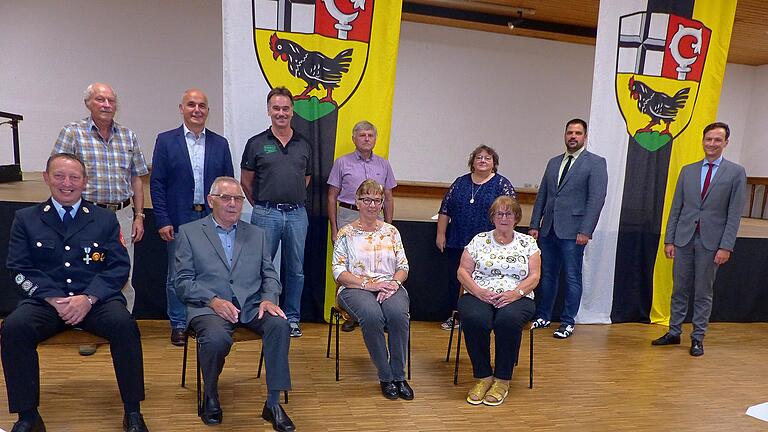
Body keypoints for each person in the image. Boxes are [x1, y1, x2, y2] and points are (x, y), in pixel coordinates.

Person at [1, 153, 149, 432]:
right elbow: (18, 269)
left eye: (74, 177)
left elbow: (118, 267)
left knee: (125, 326)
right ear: (46, 178)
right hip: (47, 302)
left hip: (95, 300)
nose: (66, 183)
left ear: (85, 181)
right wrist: (53, 299)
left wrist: (89, 298)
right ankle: (28, 416)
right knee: (13, 328)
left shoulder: (103, 219)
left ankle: (133, 411)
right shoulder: (26, 219)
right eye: (59, 176)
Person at [175, 177, 294, 431]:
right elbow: (182, 281)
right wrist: (213, 300)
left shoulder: (257, 234)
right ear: (211, 201)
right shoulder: (189, 232)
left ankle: (273, 402)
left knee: (280, 325)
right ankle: (210, 393)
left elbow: (270, 275)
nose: (233, 204)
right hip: (209, 307)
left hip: (251, 305)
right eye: (226, 198)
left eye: (238, 199)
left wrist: (268, 299)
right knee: (217, 338)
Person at [53, 82, 149, 355]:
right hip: (86, 215)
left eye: (110, 100)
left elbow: (137, 179)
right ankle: (88, 330)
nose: (106, 105)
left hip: (122, 214)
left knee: (125, 273)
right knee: (87, 272)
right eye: (100, 99)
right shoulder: (73, 134)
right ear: (88, 104)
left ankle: (123, 328)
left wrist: (139, 215)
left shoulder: (128, 136)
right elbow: (59, 174)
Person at [652, 122, 747, 357]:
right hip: (683, 239)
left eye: (717, 140)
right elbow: (676, 208)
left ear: (726, 143)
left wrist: (726, 246)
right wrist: (669, 239)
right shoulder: (688, 170)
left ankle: (697, 337)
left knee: (703, 292)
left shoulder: (735, 173)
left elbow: (734, 214)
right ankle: (674, 332)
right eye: (708, 139)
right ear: (702, 141)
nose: (712, 144)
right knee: (679, 289)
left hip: (712, 243)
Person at [150, 88, 234, 346]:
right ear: (182, 108)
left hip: (212, 217)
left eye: (202, 106)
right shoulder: (166, 141)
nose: (197, 110)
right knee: (178, 274)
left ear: (208, 111)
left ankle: (209, 317)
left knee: (213, 269)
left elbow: (228, 183)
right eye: (191, 105)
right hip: (179, 219)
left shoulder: (220, 143)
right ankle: (178, 323)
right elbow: (158, 183)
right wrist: (163, 219)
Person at [332, 179, 413, 401]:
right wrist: (370, 285)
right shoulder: (346, 233)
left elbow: (403, 266)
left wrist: (394, 284)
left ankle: (399, 375)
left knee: (397, 315)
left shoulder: (391, 231)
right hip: (355, 287)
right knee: (372, 315)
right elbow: (338, 272)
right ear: (357, 202)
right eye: (367, 199)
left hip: (389, 286)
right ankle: (386, 376)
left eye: (377, 200)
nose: (372, 205)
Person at [241, 86, 311, 338]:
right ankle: (260, 315)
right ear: (269, 111)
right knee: (260, 267)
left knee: (296, 269)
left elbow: (306, 178)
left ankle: (291, 318)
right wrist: (261, 204)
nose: (281, 113)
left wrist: (289, 197)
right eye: (276, 108)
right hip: (265, 213)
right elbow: (246, 182)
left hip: (296, 215)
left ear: (292, 111)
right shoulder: (256, 143)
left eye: (285, 108)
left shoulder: (304, 143)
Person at [456, 196, 540, 406]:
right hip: (479, 293)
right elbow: (463, 271)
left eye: (508, 213)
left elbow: (535, 276)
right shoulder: (479, 240)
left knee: (508, 321)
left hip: (517, 296)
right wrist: (478, 291)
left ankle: (502, 379)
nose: (504, 217)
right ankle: (483, 377)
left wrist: (516, 293)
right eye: (499, 213)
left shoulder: (528, 243)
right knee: (475, 319)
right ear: (492, 217)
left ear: (516, 217)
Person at [529, 118, 607, 339]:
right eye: (570, 132)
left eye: (578, 133)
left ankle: (567, 322)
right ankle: (543, 316)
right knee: (547, 276)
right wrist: (535, 224)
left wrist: (586, 230)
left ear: (585, 137)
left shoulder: (595, 162)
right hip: (549, 230)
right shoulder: (554, 162)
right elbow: (542, 194)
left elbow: (596, 199)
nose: (573, 136)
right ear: (565, 135)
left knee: (572, 277)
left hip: (574, 231)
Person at [436, 145, 516, 330]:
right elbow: (445, 209)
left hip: (489, 245)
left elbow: (511, 213)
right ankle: (456, 316)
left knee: (482, 279)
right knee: (456, 280)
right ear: (472, 162)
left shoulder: (501, 184)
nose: (482, 161)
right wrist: (441, 234)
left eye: (487, 158)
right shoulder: (460, 182)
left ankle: (479, 318)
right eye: (479, 157)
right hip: (458, 239)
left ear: (494, 163)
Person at [327, 120, 397, 332]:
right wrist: (334, 227)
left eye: (370, 135)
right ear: (354, 139)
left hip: (377, 219)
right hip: (348, 214)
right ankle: (350, 313)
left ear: (375, 139)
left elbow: (389, 197)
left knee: (377, 264)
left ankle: (378, 309)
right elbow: (331, 197)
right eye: (362, 135)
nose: (367, 139)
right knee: (346, 264)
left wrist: (389, 228)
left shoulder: (383, 164)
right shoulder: (342, 163)